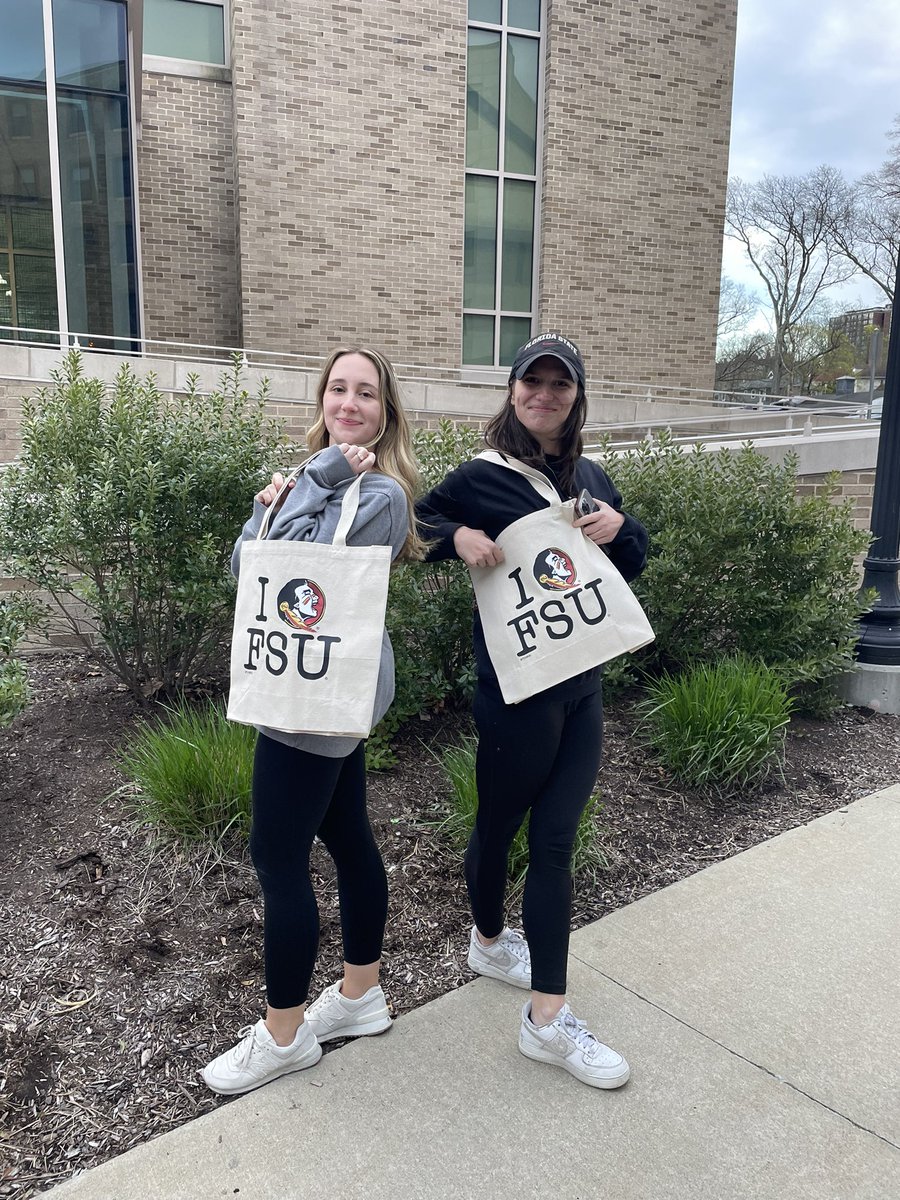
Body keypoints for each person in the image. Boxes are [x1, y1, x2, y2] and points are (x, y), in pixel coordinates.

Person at [417, 331, 648, 1090]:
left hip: (583, 686)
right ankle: (487, 940)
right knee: (497, 826)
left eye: (560, 384)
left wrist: (623, 530)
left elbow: (632, 560)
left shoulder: (591, 475)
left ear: (577, 396)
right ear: (512, 389)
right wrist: (458, 534)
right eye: (532, 381)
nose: (544, 394)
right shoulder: (480, 476)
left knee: (555, 843)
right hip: (516, 694)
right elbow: (413, 524)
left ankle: (547, 1018)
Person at [203, 347, 424, 1095]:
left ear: (385, 411)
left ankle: (284, 1033)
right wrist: (283, 496)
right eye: (338, 388)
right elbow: (246, 570)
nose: (349, 403)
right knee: (348, 837)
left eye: (366, 393)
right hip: (314, 694)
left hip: (313, 703)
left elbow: (303, 568)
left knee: (276, 859)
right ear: (322, 397)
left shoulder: (383, 496)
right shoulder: (304, 479)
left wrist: (311, 484)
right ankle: (361, 996)